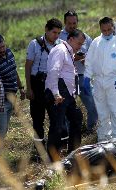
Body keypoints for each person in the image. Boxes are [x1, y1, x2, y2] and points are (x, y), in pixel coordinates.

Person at [84, 17, 116, 142]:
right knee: (102, 113)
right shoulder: (96, 42)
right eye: (103, 30)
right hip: (99, 82)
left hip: (115, 81)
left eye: (108, 30)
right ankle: (104, 141)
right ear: (100, 29)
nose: (106, 32)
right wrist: (87, 77)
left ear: (113, 27)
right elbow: (89, 61)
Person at [45, 29, 84, 159]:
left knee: (76, 117)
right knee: (57, 125)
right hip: (58, 91)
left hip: (67, 92)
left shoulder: (68, 52)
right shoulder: (60, 50)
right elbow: (53, 71)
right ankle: (52, 160)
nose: (80, 47)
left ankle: (73, 154)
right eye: (79, 43)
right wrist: (56, 93)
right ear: (71, 39)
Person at [25, 18, 62, 148]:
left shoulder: (60, 45)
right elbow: (28, 66)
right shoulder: (34, 44)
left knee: (55, 117)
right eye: (54, 32)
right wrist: (29, 88)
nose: (56, 35)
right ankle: (39, 149)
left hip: (53, 85)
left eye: (58, 33)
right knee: (37, 118)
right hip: (38, 84)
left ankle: (54, 147)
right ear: (46, 30)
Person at [59, 10, 98, 133]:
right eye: (69, 23)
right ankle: (69, 133)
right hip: (65, 78)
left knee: (92, 106)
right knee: (66, 108)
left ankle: (91, 130)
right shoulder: (58, 37)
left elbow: (93, 57)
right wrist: (72, 57)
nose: (72, 26)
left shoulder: (86, 37)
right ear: (65, 22)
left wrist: (85, 59)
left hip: (83, 77)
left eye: (74, 23)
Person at [0, 34, 25, 140]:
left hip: (12, 96)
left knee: (4, 128)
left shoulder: (9, 53)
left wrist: (21, 88)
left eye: (3, 46)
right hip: (1, 100)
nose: (2, 50)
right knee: (0, 128)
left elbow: (14, 71)